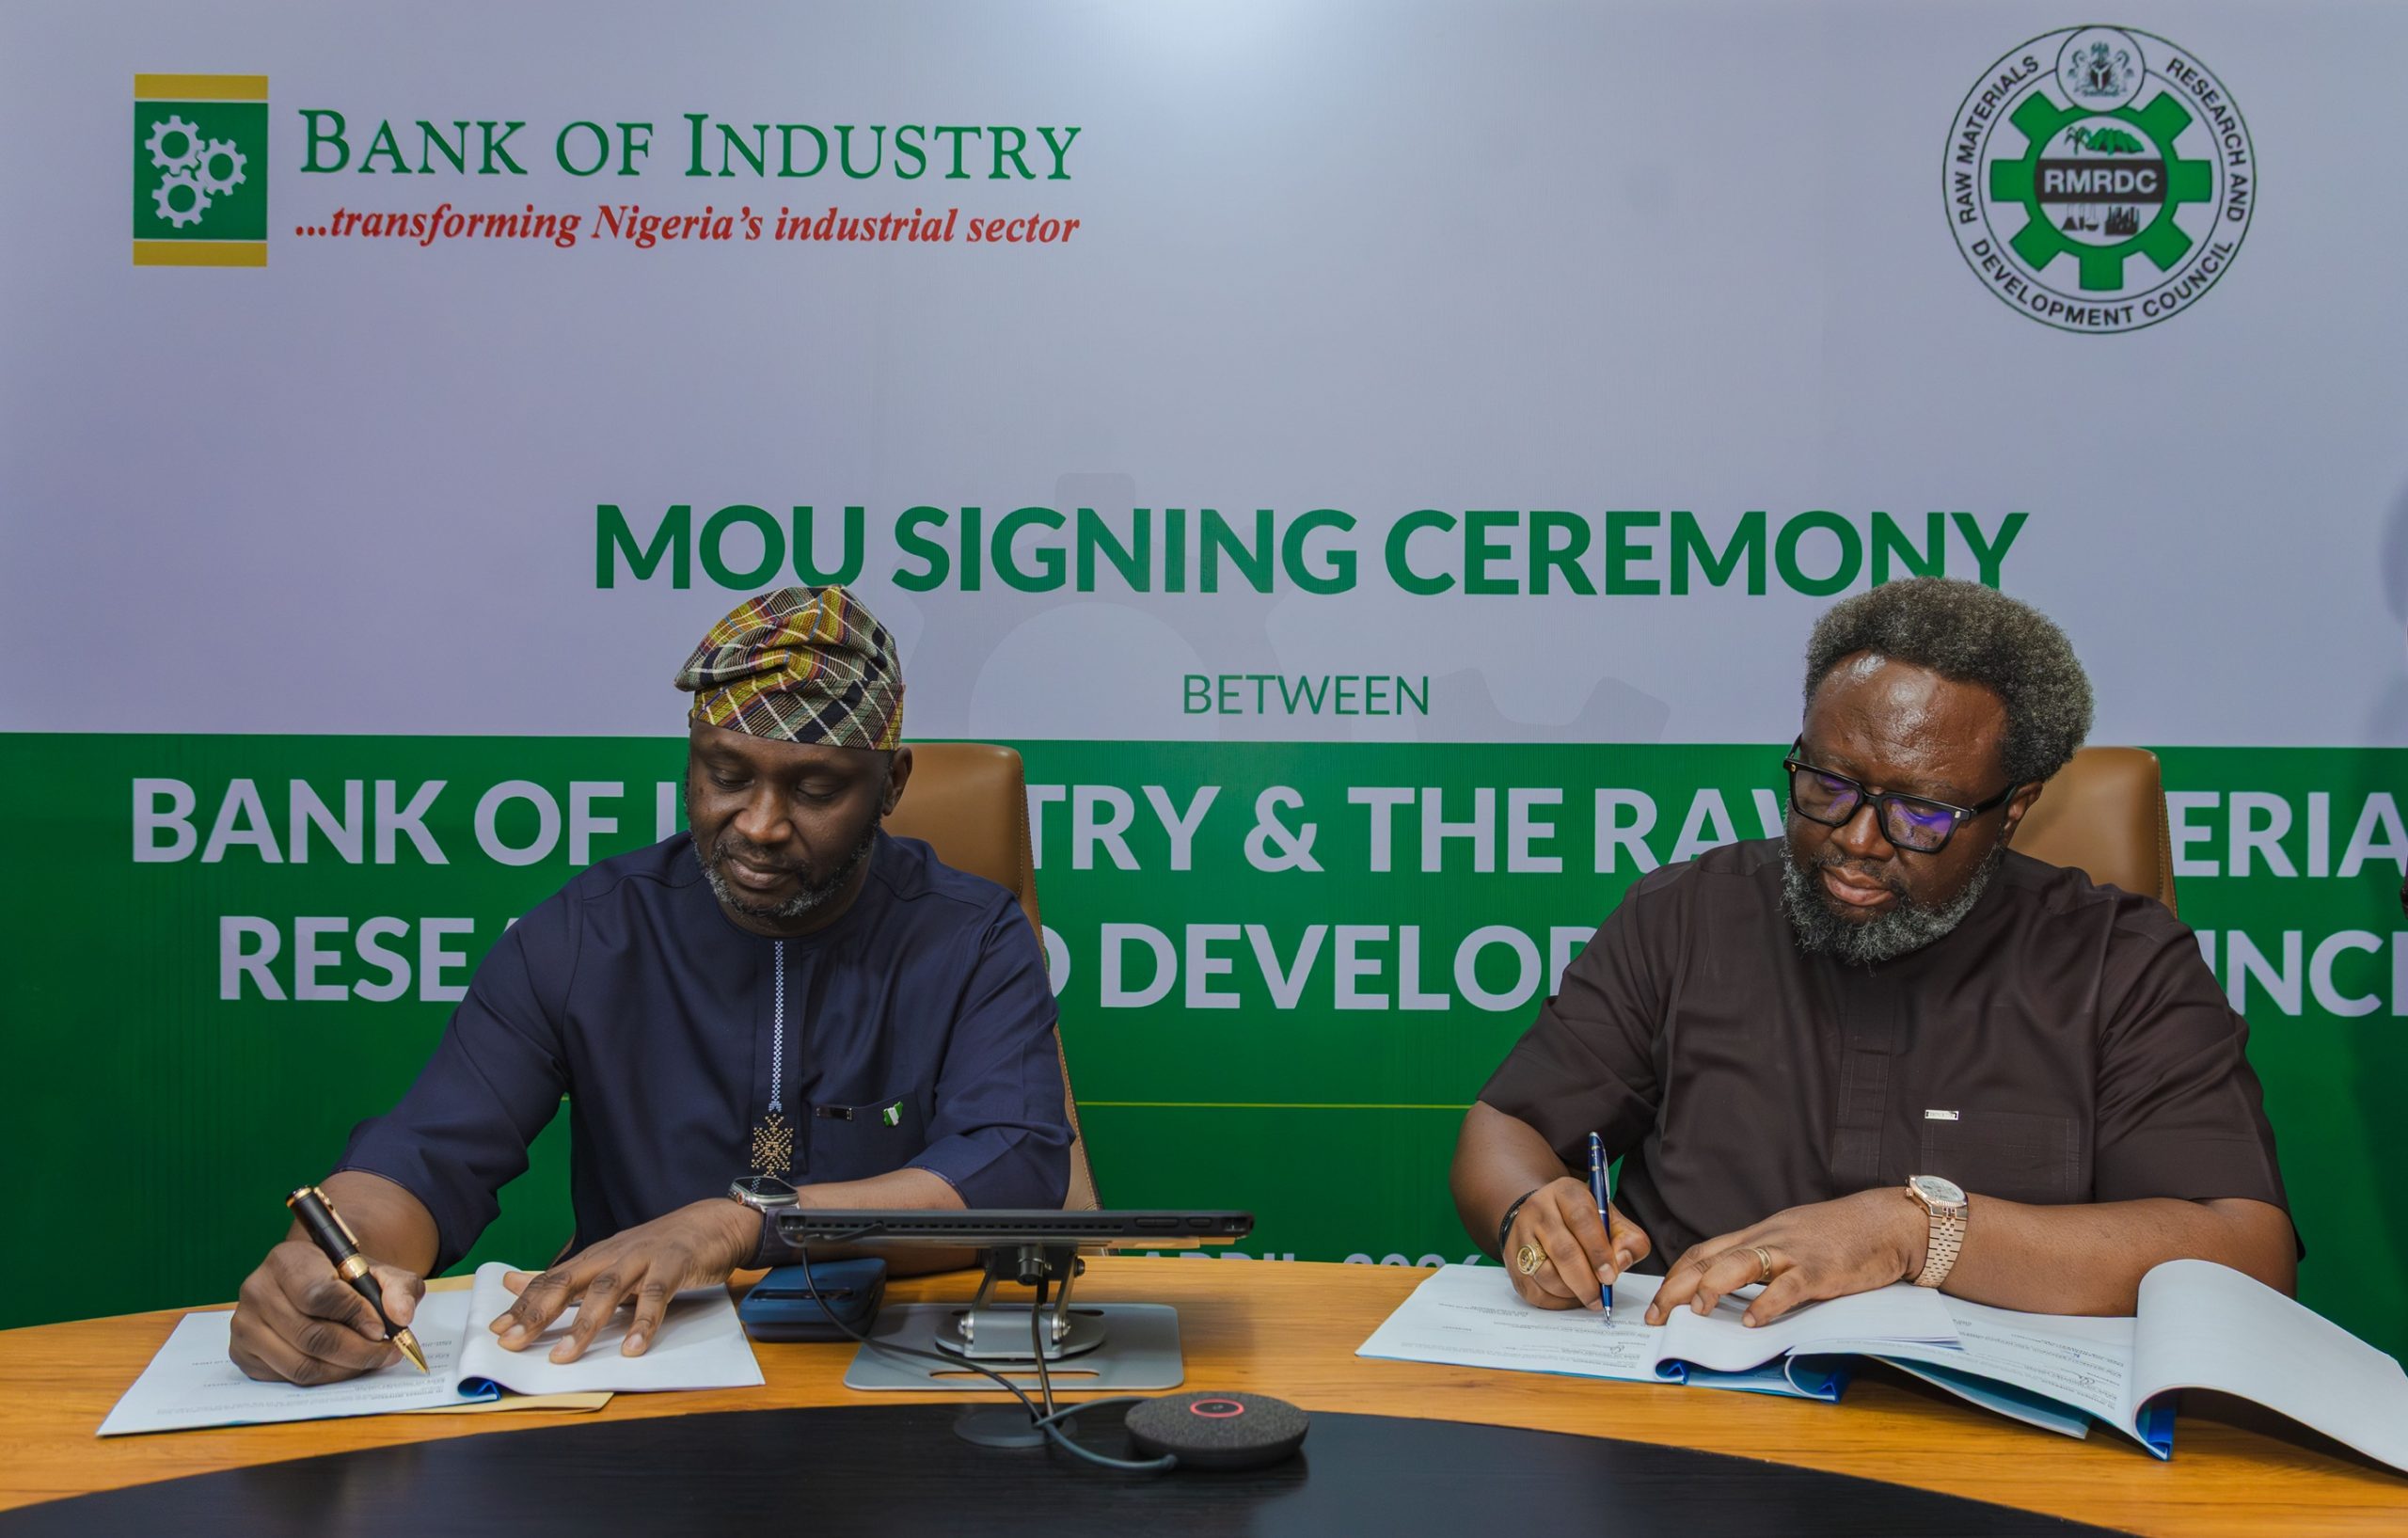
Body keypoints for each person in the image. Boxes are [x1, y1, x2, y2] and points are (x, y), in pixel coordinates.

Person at [230, 586, 1072, 1384]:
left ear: (891, 784)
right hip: (630, 1374)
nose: (760, 825)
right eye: (727, 775)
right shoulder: (587, 934)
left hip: (898, 1366)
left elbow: (1013, 1167)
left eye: (815, 788)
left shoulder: (972, 936)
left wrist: (743, 1221)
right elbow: (424, 1156)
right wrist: (336, 1256)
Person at [1451, 578, 2293, 1327]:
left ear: (2014, 808)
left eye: (1920, 812)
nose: (1856, 839)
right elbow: (1510, 1124)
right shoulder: (1687, 914)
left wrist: (1916, 1230)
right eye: (1828, 784)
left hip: (1983, 1433)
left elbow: (2249, 1254)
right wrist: (1532, 1212)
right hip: (1690, 1398)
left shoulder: (2123, 964)